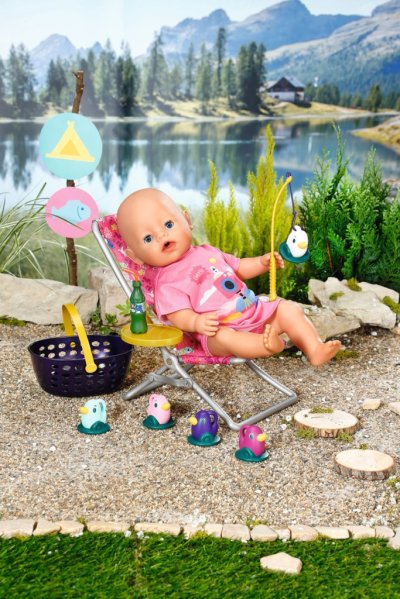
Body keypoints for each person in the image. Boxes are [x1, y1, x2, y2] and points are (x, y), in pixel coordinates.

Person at [117, 188, 341, 365]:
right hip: (216, 332)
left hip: (254, 311)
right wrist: (196, 322)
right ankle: (266, 345)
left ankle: (314, 349)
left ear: (187, 220)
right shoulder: (167, 283)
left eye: (168, 224)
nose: (161, 235)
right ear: (136, 256)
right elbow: (178, 315)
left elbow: (239, 267)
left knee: (289, 310)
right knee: (227, 337)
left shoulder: (207, 251)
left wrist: (262, 263)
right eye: (148, 239)